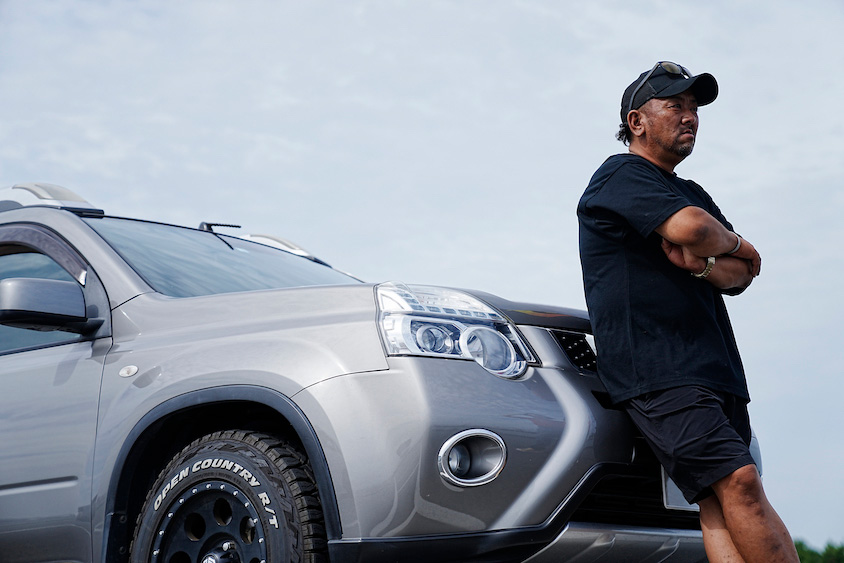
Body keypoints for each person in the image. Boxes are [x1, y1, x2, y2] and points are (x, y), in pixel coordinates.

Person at [577, 61, 799, 563]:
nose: (690, 116)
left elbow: (738, 276)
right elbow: (696, 230)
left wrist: (706, 263)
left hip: (714, 368)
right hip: (658, 368)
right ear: (636, 122)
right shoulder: (620, 175)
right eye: (675, 105)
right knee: (740, 481)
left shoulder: (691, 192)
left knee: (718, 502)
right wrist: (737, 244)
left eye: (694, 108)